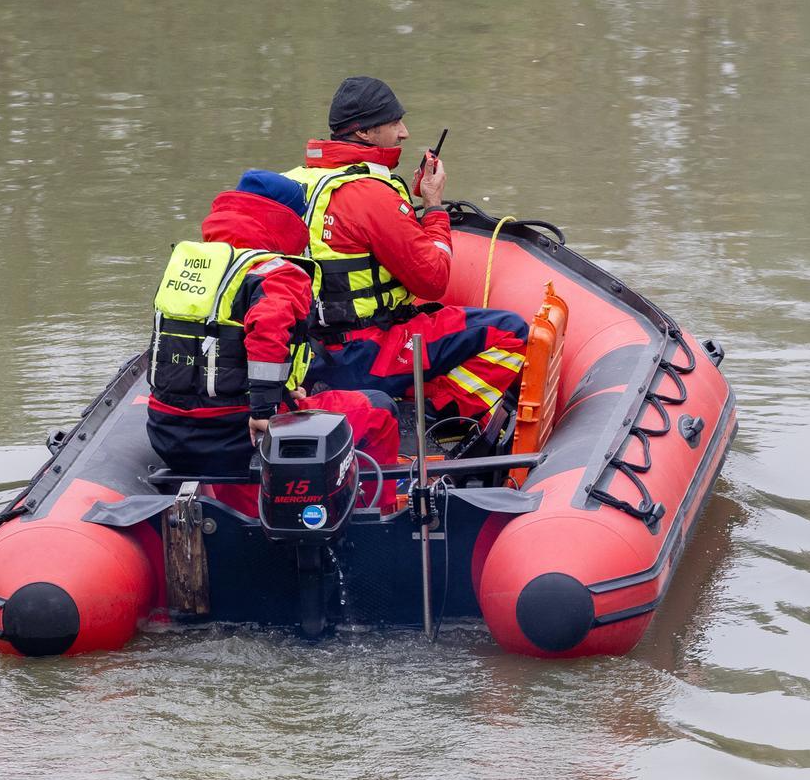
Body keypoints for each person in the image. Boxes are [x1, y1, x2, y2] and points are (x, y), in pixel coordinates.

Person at [147, 170, 399, 512]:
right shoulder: (277, 271)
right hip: (234, 435)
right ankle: (375, 519)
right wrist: (264, 410)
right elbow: (267, 329)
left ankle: (238, 513)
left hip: (168, 431)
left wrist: (277, 392)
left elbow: (208, 350)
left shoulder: (194, 266)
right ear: (289, 219)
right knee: (379, 409)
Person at [283, 76, 529, 427]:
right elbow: (433, 279)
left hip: (305, 355)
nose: (404, 133)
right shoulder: (370, 194)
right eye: (394, 122)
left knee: (426, 318)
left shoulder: (294, 183)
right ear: (365, 133)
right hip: (364, 353)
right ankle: (441, 423)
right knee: (509, 331)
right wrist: (432, 206)